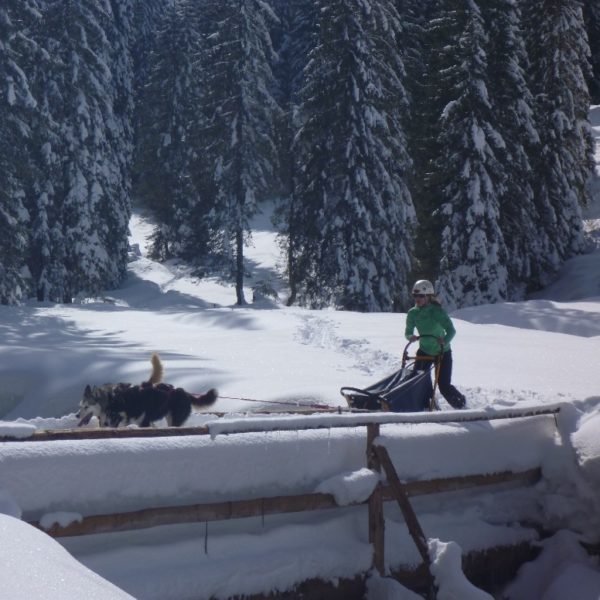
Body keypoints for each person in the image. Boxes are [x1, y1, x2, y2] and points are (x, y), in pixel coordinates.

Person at [404, 279, 466, 409]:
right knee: (418, 381)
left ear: (428, 296)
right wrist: (411, 337)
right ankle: (425, 406)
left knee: (443, 385)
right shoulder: (413, 313)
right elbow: (408, 332)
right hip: (424, 351)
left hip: (442, 352)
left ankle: (462, 406)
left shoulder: (436, 311)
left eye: (421, 296)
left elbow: (451, 330)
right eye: (415, 295)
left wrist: (445, 340)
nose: (417, 299)